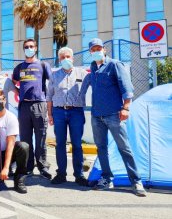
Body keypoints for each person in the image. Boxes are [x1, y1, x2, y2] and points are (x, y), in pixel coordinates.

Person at [81, 38, 146, 197]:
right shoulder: (93, 69)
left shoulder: (115, 64)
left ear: (104, 49)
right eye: (93, 49)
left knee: (124, 148)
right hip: (97, 116)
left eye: (99, 48)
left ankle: (136, 181)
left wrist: (126, 108)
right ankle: (106, 178)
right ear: (90, 52)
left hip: (114, 115)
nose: (96, 51)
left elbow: (127, 87)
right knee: (101, 148)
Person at [46, 47, 88, 186]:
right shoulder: (54, 75)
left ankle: (79, 175)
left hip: (76, 112)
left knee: (77, 144)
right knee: (60, 144)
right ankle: (61, 174)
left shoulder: (82, 73)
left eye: (68, 56)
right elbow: (49, 96)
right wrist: (50, 114)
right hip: (58, 112)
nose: (65, 59)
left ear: (73, 58)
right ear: (59, 60)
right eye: (62, 57)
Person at [12, 39, 52, 179]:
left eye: (31, 46)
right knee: (25, 139)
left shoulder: (43, 65)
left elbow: (51, 83)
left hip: (39, 105)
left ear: (35, 48)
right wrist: (18, 93)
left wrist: (48, 101)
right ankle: (28, 167)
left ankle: (42, 167)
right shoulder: (19, 67)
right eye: (26, 47)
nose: (28, 48)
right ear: (23, 49)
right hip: (24, 106)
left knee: (41, 137)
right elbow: (13, 82)